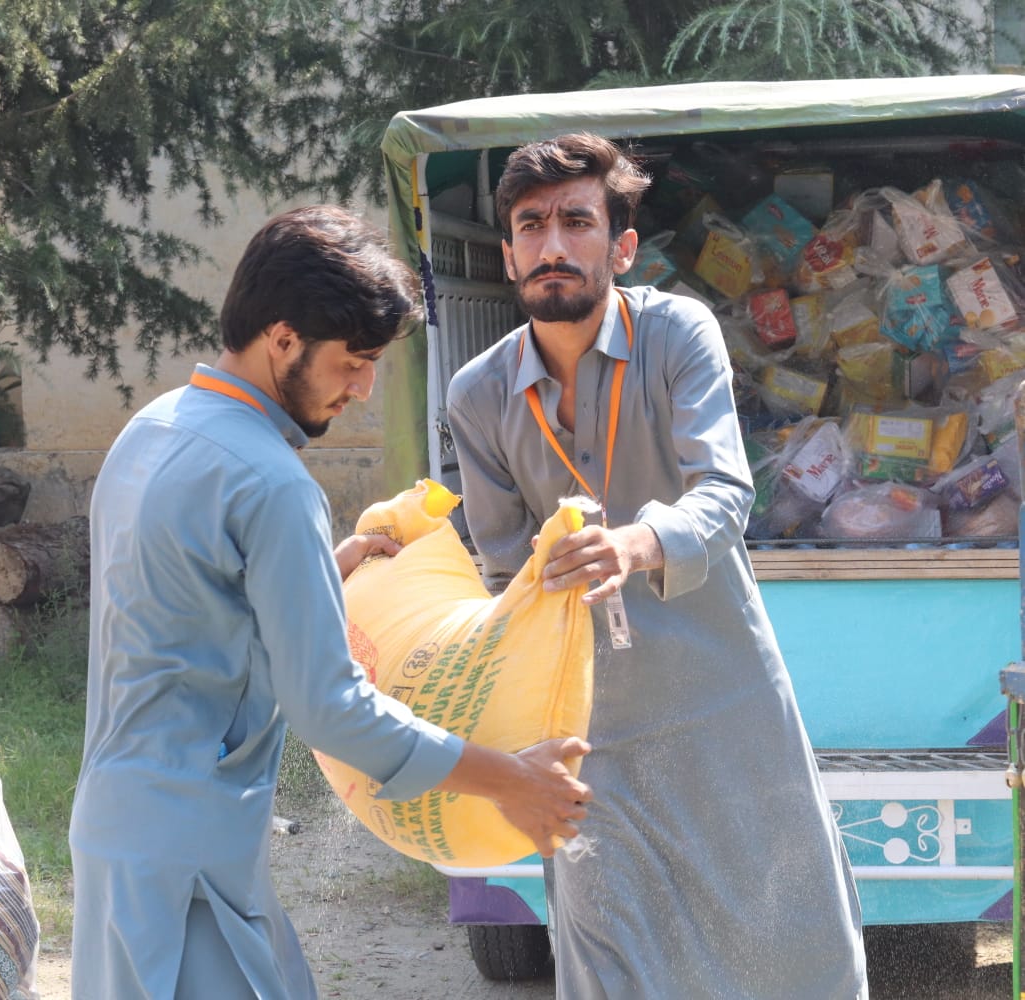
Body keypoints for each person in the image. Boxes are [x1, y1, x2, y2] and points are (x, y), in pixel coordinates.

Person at [68, 204, 594, 1000]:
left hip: (118, 828)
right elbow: (331, 708)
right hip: (193, 858)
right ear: (282, 338)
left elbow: (176, 605)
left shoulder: (152, 429)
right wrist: (509, 778)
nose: (364, 386)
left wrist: (320, 568)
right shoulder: (273, 483)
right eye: (352, 361)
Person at [445, 134, 867, 998]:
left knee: (790, 949)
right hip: (586, 729)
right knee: (609, 964)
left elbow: (725, 494)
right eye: (531, 227)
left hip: (724, 703)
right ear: (509, 252)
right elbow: (497, 574)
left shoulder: (677, 331)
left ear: (623, 245)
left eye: (576, 221)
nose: (552, 245)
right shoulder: (478, 393)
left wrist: (632, 543)